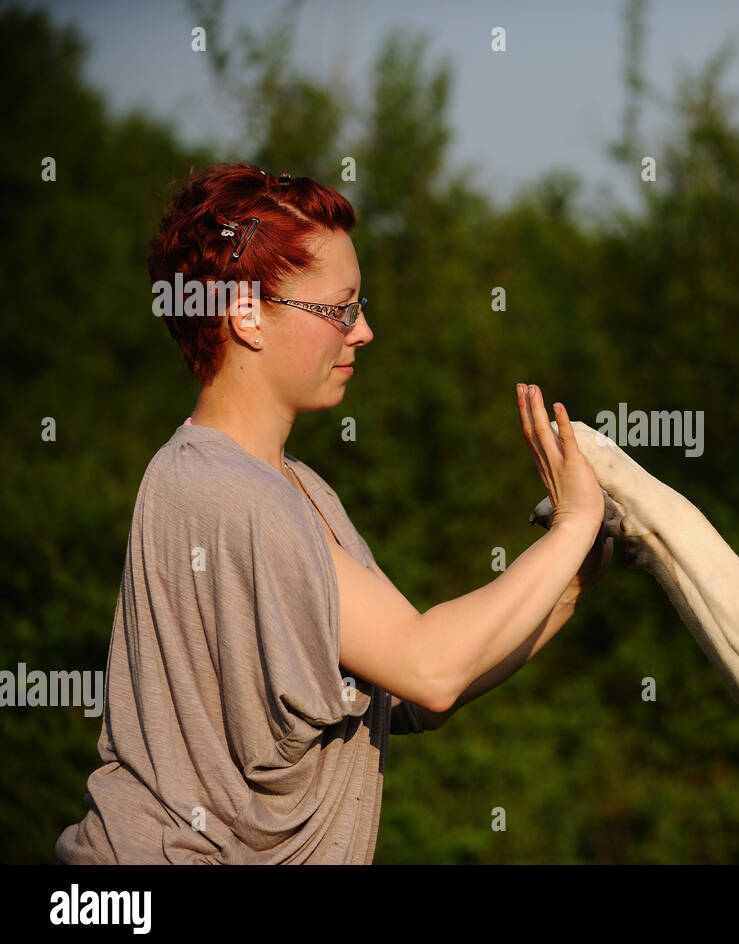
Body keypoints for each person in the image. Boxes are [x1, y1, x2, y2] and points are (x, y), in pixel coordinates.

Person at [55, 162, 611, 863]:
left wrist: (573, 579)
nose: (364, 331)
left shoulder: (296, 490)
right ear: (246, 315)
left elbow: (419, 693)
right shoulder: (229, 494)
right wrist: (571, 526)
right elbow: (430, 664)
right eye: (339, 309)